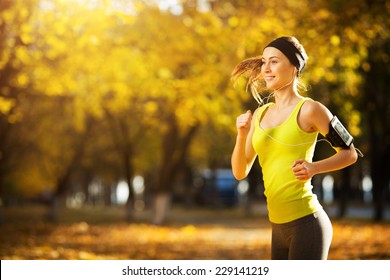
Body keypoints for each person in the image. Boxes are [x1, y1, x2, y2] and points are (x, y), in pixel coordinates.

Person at [231, 36, 358, 260]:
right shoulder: (261, 114)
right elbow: (240, 172)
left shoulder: (310, 109)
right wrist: (241, 136)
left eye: (274, 61)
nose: (266, 69)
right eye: (264, 61)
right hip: (277, 228)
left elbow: (350, 154)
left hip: (307, 224)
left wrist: (313, 168)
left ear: (294, 67)